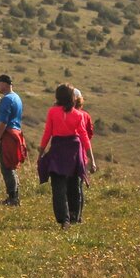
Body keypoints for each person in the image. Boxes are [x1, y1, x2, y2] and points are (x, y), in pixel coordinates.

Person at [36, 83, 94, 229]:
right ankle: (74, 215)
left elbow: (47, 133)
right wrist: (91, 158)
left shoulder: (52, 112)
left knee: (58, 187)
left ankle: (64, 219)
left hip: (58, 149)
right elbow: (84, 136)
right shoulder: (78, 114)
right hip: (73, 149)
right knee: (74, 184)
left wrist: (41, 152)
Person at [0, 74, 26, 206]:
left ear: (5, 84)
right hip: (15, 133)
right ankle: (14, 195)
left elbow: (3, 121)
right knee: (10, 165)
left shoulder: (6, 99)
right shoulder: (16, 97)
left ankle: (13, 197)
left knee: (6, 166)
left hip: (7, 134)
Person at [73, 88, 96, 217]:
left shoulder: (69, 114)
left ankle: (73, 214)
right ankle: (78, 215)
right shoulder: (85, 115)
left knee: (72, 185)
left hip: (72, 152)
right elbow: (89, 134)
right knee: (78, 185)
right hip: (82, 152)